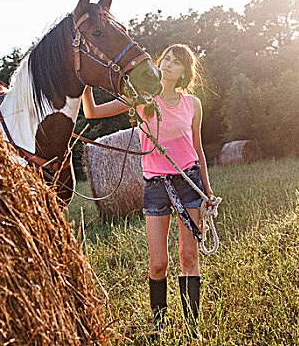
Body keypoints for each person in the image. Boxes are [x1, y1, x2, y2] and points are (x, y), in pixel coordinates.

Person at [81, 43, 217, 340]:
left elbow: (198, 148)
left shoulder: (192, 104)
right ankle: (158, 325)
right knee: (158, 264)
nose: (167, 64)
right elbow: (91, 113)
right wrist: (86, 83)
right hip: (155, 185)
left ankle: (194, 330)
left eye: (176, 62)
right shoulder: (142, 99)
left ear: (184, 72)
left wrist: (206, 190)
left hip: (188, 183)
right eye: (166, 58)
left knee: (189, 258)